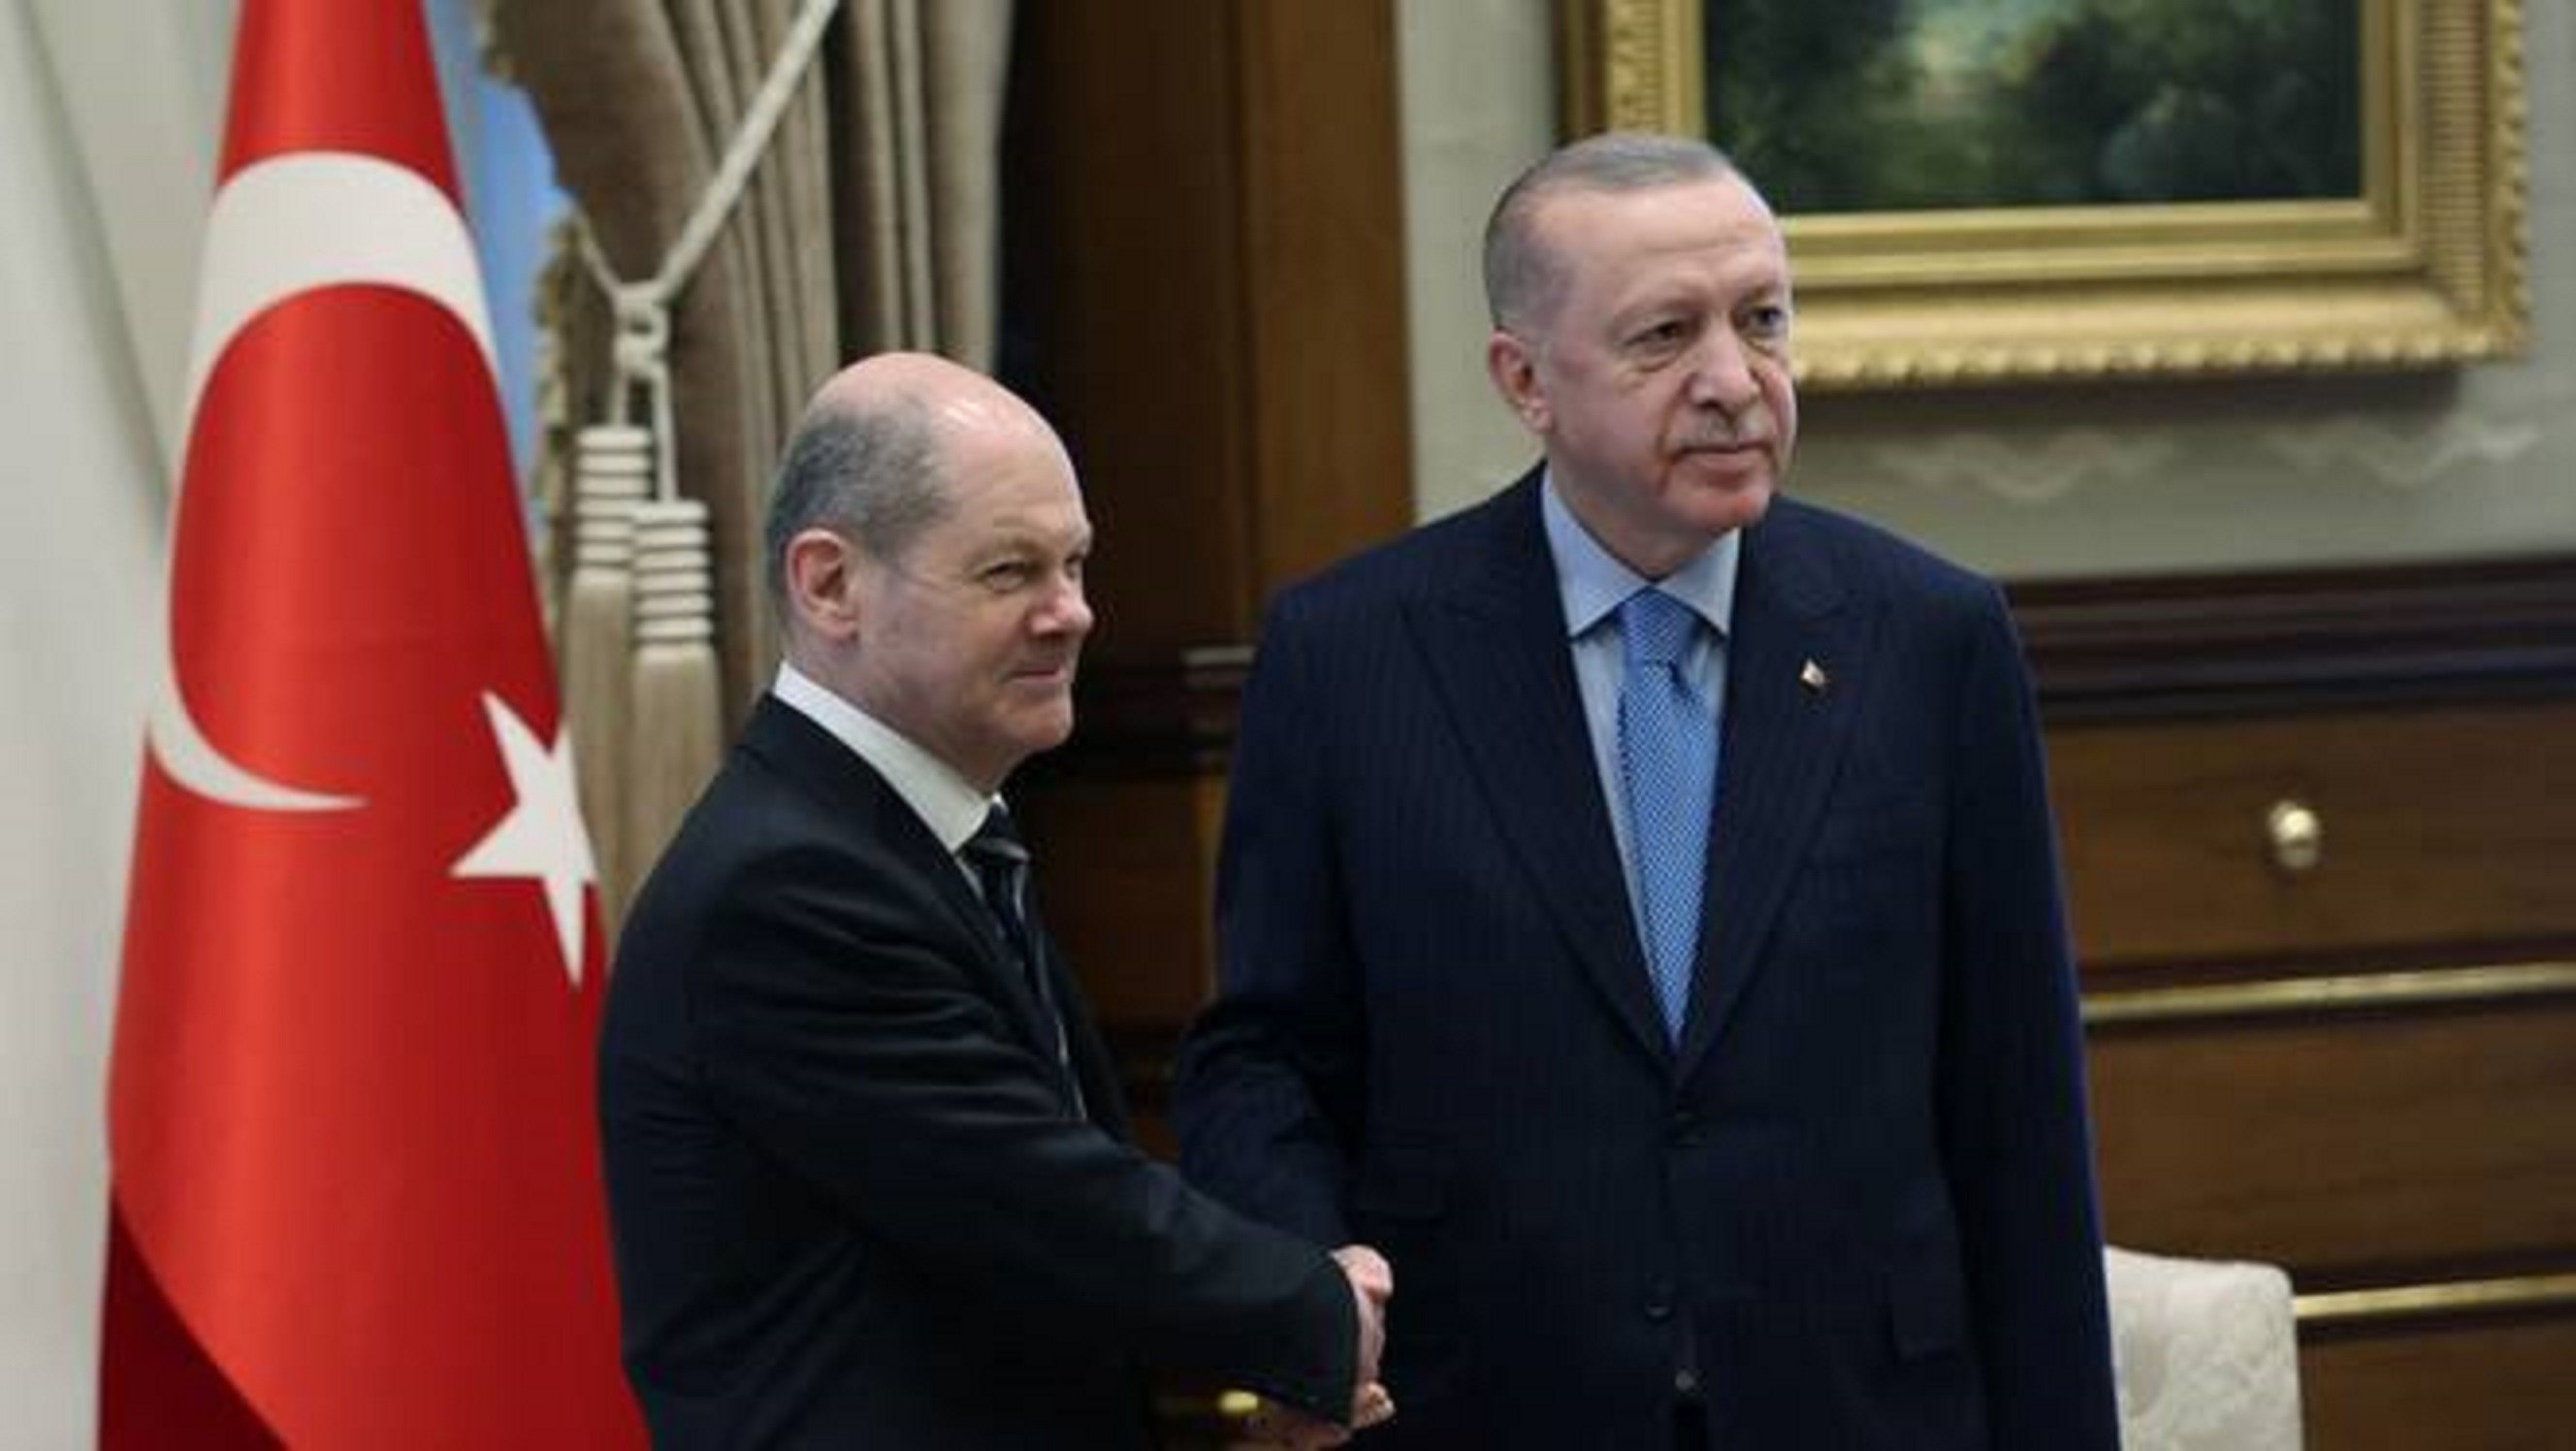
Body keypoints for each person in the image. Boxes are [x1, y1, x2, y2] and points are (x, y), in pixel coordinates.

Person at [1171, 133, 2122, 1449]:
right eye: (1665, 335)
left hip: (1861, 1408)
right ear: (1526, 381)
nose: (1734, 382)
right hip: (1488, 1404)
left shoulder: (1928, 638)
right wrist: (1305, 1286)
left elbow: (2018, 1104)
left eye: (1763, 321)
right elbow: (1262, 1055)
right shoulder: (1353, 657)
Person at [599, 352, 1394, 1448]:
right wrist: (1309, 1309)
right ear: (830, 584)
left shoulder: (932, 840)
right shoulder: (785, 888)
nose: (1071, 613)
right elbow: (1046, 1204)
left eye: (1075, 564)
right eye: (1009, 571)